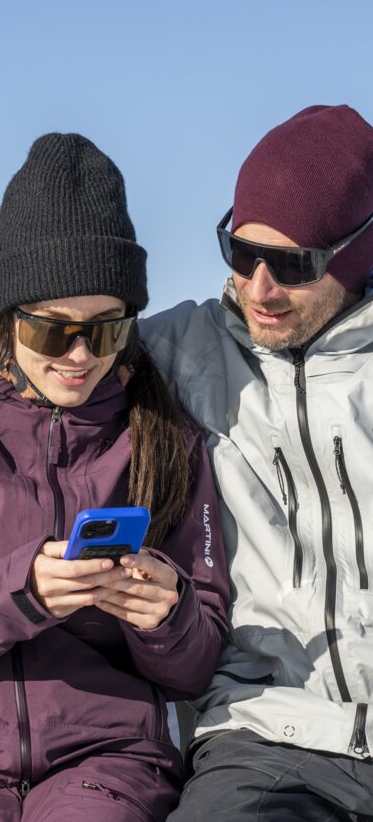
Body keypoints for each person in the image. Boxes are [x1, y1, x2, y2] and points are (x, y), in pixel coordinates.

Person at [0, 133, 230, 822]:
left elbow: (198, 663)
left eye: (108, 330)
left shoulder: (164, 436)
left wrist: (169, 618)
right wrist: (20, 595)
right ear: (6, 316)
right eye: (55, 332)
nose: (81, 357)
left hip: (107, 763)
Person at [140, 105, 373, 821]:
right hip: (267, 739)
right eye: (242, 254)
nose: (261, 287)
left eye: (294, 264)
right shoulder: (174, 354)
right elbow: (28, 334)